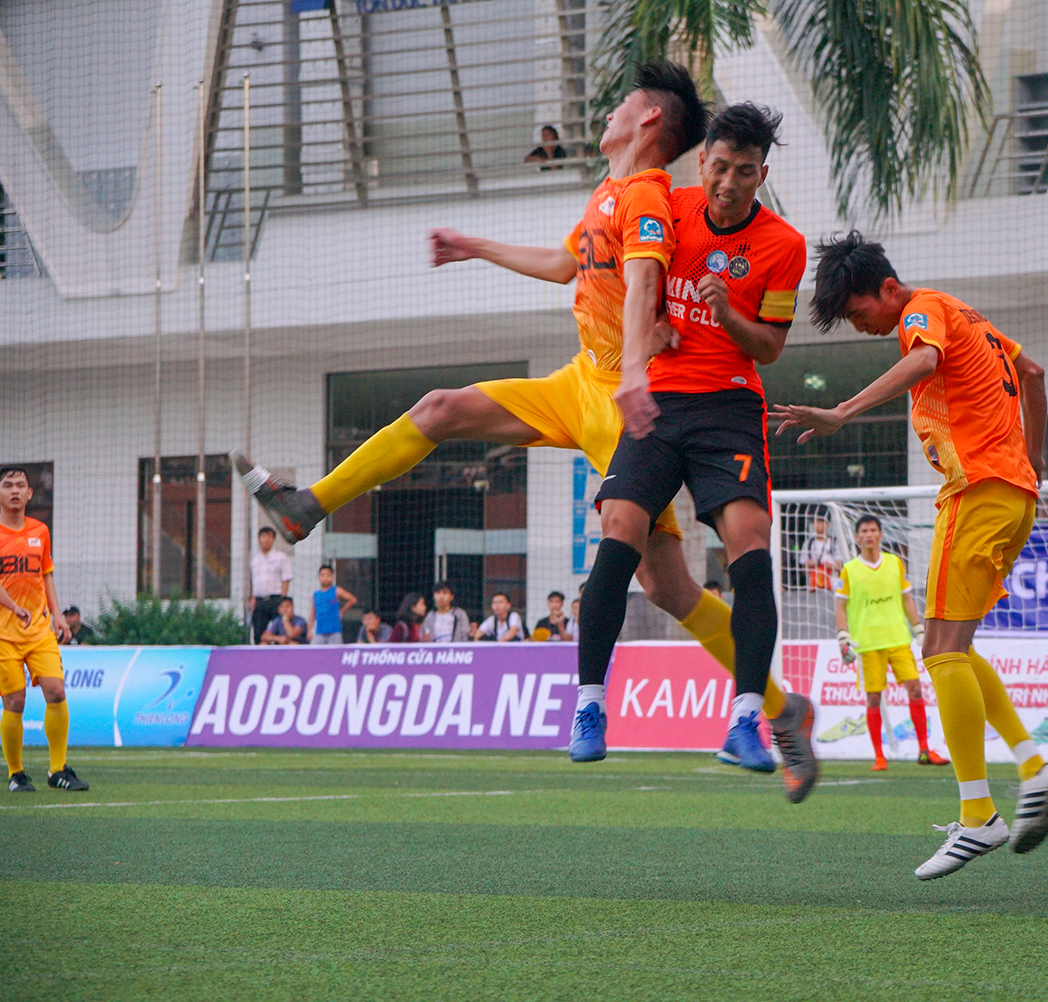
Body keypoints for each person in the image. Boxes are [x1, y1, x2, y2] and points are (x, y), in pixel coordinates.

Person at [230, 63, 763, 769]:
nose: (608, 112)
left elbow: (643, 280)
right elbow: (565, 263)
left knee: (666, 583)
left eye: (621, 103)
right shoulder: (610, 191)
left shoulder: (648, 199)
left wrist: (637, 367)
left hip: (621, 399)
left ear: (649, 121)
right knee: (440, 408)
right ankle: (306, 507)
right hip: (576, 380)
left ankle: (778, 707)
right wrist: (474, 247)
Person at [773, 232, 1048, 876]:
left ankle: (978, 817)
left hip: (978, 492)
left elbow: (926, 359)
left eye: (859, 313)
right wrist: (1035, 457)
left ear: (887, 289)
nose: (864, 325)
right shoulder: (976, 320)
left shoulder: (919, 310)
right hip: (1014, 492)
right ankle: (1035, 767)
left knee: (938, 652)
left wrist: (843, 410)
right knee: (954, 649)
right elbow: (1035, 373)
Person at [579, 103, 819, 801]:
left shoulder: (784, 244)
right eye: (719, 167)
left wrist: (726, 315)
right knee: (619, 530)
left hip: (728, 408)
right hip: (658, 400)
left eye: (745, 172)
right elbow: (632, 282)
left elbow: (771, 348)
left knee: (750, 540)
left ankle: (747, 719)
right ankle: (591, 704)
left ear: (760, 175)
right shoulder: (667, 207)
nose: (728, 183)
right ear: (702, 162)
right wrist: (649, 330)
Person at [836, 514, 948, 771]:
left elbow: (907, 598)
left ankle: (923, 750)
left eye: (873, 530)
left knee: (915, 688)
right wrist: (843, 638)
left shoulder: (894, 563)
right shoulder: (850, 569)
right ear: (857, 537)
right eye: (864, 530)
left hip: (898, 638)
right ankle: (879, 756)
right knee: (873, 698)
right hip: (867, 644)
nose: (868, 534)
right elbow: (840, 606)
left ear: (880, 535)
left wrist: (918, 628)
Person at [0, 468, 87, 792]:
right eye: (7, 485)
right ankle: (16, 774)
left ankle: (57, 770)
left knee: (56, 692)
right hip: (4, 635)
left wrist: (57, 615)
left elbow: (45, 574)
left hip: (37, 631)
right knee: (15, 702)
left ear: (30, 493)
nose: (14, 491)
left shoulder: (40, 531)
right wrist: (13, 607)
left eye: (20, 485)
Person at [248, 526, 292, 643]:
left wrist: (283, 598)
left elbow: (286, 579)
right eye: (263, 537)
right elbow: (253, 581)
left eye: (269, 537)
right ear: (259, 539)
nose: (266, 540)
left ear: (273, 540)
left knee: (279, 631)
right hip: (259, 601)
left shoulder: (280, 557)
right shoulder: (254, 559)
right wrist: (252, 599)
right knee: (258, 633)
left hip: (275, 599)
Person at [310, 564, 358, 645]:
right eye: (322, 575)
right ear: (319, 577)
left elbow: (352, 599)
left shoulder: (336, 590)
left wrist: (342, 611)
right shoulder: (315, 594)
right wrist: (309, 630)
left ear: (332, 577)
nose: (325, 578)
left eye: (328, 575)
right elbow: (312, 614)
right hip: (319, 632)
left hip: (334, 631)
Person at [803, 515, 840, 590]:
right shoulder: (808, 543)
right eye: (814, 522)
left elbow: (838, 566)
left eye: (820, 522)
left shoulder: (835, 542)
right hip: (814, 585)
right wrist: (809, 564)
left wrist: (823, 565)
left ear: (827, 524)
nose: (816, 525)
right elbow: (803, 569)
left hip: (832, 585)